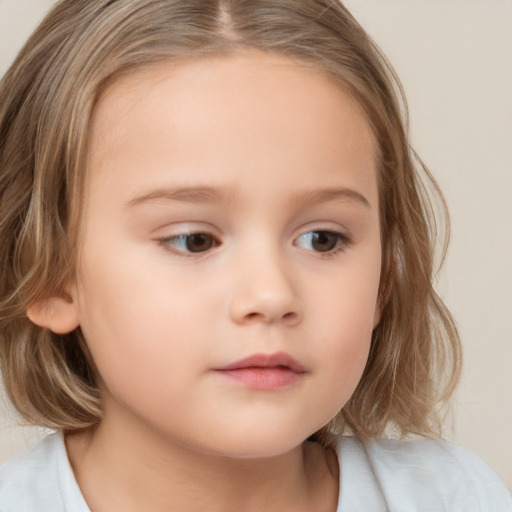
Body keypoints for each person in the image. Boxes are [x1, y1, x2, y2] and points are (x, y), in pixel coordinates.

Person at [0, 0, 510, 510]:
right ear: (44, 269)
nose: (271, 295)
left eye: (322, 239)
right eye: (194, 240)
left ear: (385, 277)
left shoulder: (453, 496)